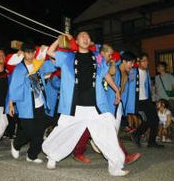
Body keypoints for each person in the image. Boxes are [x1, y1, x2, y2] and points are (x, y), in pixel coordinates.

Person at [42, 32, 128, 176]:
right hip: (74, 105)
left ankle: (115, 166)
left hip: (96, 105)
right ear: (76, 41)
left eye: (88, 36)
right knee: (63, 131)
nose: (86, 38)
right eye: (82, 36)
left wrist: (116, 90)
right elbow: (50, 52)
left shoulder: (97, 57)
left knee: (108, 131)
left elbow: (105, 74)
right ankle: (52, 155)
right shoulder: (68, 57)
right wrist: (58, 40)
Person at [9, 42, 56, 164]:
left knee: (39, 131)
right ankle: (16, 143)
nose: (30, 54)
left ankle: (32, 155)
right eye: (27, 52)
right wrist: (11, 104)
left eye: (32, 52)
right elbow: (13, 87)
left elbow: (54, 64)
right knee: (28, 131)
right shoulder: (19, 69)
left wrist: (50, 54)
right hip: (26, 106)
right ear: (23, 53)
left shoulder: (38, 65)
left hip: (40, 104)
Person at [130, 53, 164, 148]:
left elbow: (148, 87)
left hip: (147, 100)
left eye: (147, 60)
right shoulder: (133, 71)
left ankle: (151, 142)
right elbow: (128, 84)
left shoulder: (147, 72)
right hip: (138, 101)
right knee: (148, 120)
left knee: (155, 119)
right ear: (138, 62)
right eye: (144, 60)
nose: (146, 62)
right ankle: (137, 134)